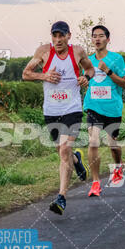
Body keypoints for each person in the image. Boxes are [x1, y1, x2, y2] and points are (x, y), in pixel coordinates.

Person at [22, 21, 94, 215]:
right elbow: (26, 74)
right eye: (55, 36)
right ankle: (77, 161)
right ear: (51, 37)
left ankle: (61, 197)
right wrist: (44, 76)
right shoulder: (44, 52)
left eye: (62, 35)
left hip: (72, 109)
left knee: (64, 149)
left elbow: (90, 70)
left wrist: (86, 78)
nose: (58, 39)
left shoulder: (78, 52)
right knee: (61, 150)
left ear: (69, 36)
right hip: (51, 110)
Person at [83, 25, 125, 197]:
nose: (97, 39)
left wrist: (107, 71)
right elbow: (86, 78)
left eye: (101, 36)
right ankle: (95, 182)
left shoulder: (116, 59)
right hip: (93, 106)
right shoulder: (87, 61)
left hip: (113, 107)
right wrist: (83, 81)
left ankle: (118, 167)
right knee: (93, 141)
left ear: (108, 39)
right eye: (94, 36)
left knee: (113, 144)